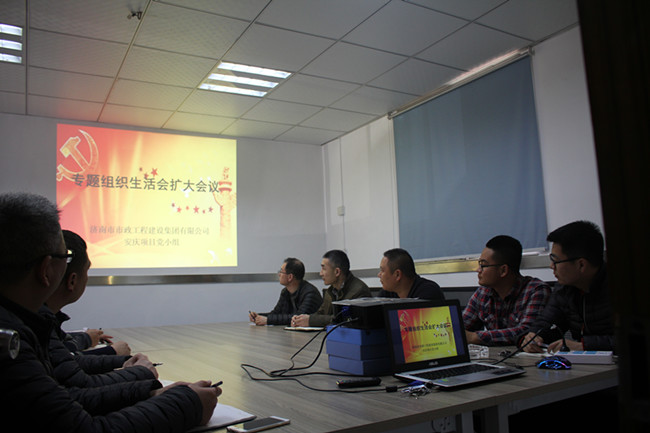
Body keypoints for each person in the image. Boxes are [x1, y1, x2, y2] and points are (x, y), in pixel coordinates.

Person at [0, 192, 219, 431]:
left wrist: (151, 393)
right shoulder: (9, 343)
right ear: (46, 271)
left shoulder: (21, 324)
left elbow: (68, 399)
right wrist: (187, 403)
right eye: (66, 256)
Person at [520, 221, 614, 353]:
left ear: (581, 265)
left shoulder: (623, 288)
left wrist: (584, 346)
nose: (551, 266)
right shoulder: (564, 289)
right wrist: (534, 337)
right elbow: (546, 322)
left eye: (555, 261)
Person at [47, 229, 130, 356]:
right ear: (72, 280)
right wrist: (112, 351)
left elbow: (59, 347)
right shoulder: (36, 323)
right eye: (87, 271)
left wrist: (86, 338)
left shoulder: (43, 318)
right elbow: (62, 362)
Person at [462, 235, 552, 346]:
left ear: (503, 270)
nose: (478, 270)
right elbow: (461, 325)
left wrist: (474, 337)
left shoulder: (536, 291)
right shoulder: (483, 293)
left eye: (483, 265)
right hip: (496, 355)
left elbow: (527, 332)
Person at [291, 249, 371, 327]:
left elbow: (345, 320)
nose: (320, 273)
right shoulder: (331, 291)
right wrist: (300, 319)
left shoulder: (359, 291)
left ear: (337, 272)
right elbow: (320, 314)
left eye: (324, 268)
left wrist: (310, 320)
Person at [249, 257, 322, 326]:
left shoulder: (310, 293)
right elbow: (276, 313)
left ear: (290, 277)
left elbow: (298, 318)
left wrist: (268, 320)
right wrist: (258, 316)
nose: (279, 274)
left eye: (281, 272)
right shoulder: (285, 292)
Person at [376, 248, 444, 300]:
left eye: (382, 270)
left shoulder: (428, 292)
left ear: (397, 275)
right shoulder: (387, 292)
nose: (379, 275)